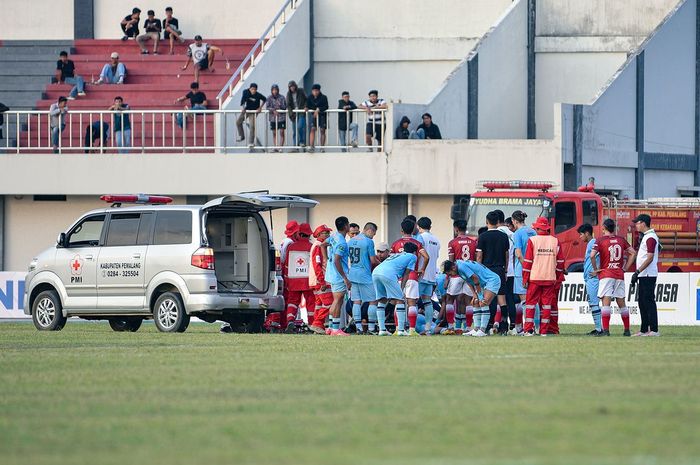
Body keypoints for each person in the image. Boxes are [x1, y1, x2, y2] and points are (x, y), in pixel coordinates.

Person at [590, 218, 636, 337]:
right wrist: (625, 268)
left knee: (606, 302)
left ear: (604, 228)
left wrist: (596, 269)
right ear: (614, 228)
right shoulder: (621, 240)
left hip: (606, 274)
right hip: (619, 274)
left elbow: (592, 255)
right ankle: (626, 330)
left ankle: (606, 330)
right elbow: (633, 253)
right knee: (621, 303)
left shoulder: (600, 240)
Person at [521, 217, 565, 336]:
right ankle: (544, 331)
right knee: (547, 305)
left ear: (538, 228)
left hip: (535, 278)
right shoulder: (555, 241)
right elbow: (560, 262)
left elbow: (528, 262)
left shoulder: (532, 240)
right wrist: (556, 274)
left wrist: (525, 278)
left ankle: (528, 330)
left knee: (530, 304)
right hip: (550, 278)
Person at [391, 219, 429, 335]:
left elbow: (392, 260)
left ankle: (398, 329)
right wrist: (422, 269)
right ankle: (412, 330)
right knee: (412, 303)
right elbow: (426, 257)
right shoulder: (416, 243)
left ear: (401, 230)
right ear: (413, 230)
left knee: (399, 302)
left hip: (399, 277)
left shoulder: (395, 244)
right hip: (412, 276)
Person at [443, 259, 500, 337]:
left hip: (492, 280)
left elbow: (475, 278)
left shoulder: (461, 267)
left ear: (453, 268)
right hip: (483, 283)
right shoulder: (458, 267)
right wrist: (474, 294)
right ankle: (476, 329)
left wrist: (479, 294)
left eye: (449, 273)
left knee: (483, 302)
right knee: (475, 302)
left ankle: (482, 330)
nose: (450, 275)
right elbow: (468, 280)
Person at [372, 242, 419, 336]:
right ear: (414, 252)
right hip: (388, 274)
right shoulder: (413, 256)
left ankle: (382, 330)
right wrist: (401, 288)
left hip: (375, 272)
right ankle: (401, 330)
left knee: (382, 300)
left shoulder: (397, 255)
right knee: (400, 300)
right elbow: (406, 274)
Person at [476, 211, 510, 334]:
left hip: (487, 270)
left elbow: (479, 256)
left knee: (487, 299)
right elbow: (506, 256)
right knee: (502, 300)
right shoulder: (503, 236)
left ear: (486, 222)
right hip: (500, 269)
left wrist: (478, 271)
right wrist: (505, 270)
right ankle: (504, 326)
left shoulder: (483, 236)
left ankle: (487, 326)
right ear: (498, 222)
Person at [322, 216, 352, 336]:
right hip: (338, 275)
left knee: (336, 300)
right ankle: (335, 329)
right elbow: (337, 260)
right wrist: (345, 278)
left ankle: (330, 327)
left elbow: (322, 245)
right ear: (345, 226)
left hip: (332, 273)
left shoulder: (334, 236)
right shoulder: (342, 243)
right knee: (337, 301)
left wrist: (325, 259)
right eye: (348, 224)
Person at [347, 223, 380, 334]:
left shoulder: (350, 240)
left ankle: (359, 327)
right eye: (373, 233)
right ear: (369, 230)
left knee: (356, 301)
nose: (373, 236)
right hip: (364, 274)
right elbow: (373, 260)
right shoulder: (368, 241)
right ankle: (371, 328)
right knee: (373, 300)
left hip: (353, 274)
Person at [282, 223, 314, 333]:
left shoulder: (291, 247)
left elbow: (286, 265)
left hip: (293, 280)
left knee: (292, 302)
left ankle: (290, 320)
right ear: (309, 235)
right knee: (310, 303)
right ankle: (311, 324)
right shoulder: (311, 247)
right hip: (307, 281)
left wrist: (286, 280)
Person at [632, 214, 660, 337]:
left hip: (648, 274)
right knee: (642, 302)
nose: (636, 225)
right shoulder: (646, 237)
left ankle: (654, 329)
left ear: (643, 223)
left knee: (648, 301)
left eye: (637, 223)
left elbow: (649, 258)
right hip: (644, 274)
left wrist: (637, 271)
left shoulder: (650, 237)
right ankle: (644, 330)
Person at [447, 219, 478, 333]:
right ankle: (468, 327)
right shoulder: (474, 242)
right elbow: (475, 258)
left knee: (450, 299)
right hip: (469, 273)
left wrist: (447, 277)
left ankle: (451, 326)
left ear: (456, 229)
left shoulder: (452, 242)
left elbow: (451, 261)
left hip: (457, 273)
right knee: (468, 300)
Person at [415, 217, 441, 335]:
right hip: (431, 275)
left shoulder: (420, 237)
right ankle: (428, 328)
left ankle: (411, 327)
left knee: (413, 301)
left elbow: (419, 254)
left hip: (421, 273)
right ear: (430, 227)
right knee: (427, 301)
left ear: (418, 226)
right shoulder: (436, 240)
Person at [511, 210, 536, 334]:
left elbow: (519, 254)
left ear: (514, 221)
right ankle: (536, 327)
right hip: (535, 269)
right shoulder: (533, 231)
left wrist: (526, 268)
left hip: (522, 270)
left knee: (525, 301)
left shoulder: (517, 233)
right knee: (533, 300)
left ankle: (528, 328)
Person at [578, 223, 602, 335]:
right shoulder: (591, 243)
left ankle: (599, 329)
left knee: (594, 303)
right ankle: (599, 328)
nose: (580, 237)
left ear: (587, 233)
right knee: (593, 303)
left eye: (581, 234)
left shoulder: (593, 243)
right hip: (590, 278)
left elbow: (599, 256)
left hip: (593, 278)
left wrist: (597, 270)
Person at [308, 224, 333, 334]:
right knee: (329, 302)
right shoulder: (318, 246)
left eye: (328, 232)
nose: (328, 234)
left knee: (319, 304)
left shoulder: (318, 245)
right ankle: (317, 323)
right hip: (320, 280)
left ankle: (318, 326)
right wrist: (322, 280)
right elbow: (317, 264)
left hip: (316, 280)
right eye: (325, 232)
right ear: (319, 234)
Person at [495, 209, 516, 334]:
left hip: (498, 270)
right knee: (510, 298)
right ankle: (513, 325)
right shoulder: (512, 233)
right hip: (512, 270)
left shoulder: (495, 233)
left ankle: (497, 324)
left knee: (497, 298)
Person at [236, 83, 266, 149]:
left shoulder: (258, 95)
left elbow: (265, 99)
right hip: (247, 110)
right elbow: (243, 100)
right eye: (252, 89)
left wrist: (260, 107)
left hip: (254, 111)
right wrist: (243, 107)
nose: (253, 91)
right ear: (250, 89)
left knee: (252, 126)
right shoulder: (245, 92)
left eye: (255, 89)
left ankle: (251, 142)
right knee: (238, 122)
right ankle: (242, 136)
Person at [307, 84, 328, 153]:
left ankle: (322, 147)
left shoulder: (324, 97)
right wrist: (306, 108)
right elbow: (308, 105)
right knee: (312, 129)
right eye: (313, 91)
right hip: (314, 116)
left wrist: (318, 109)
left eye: (316, 91)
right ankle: (311, 146)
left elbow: (326, 106)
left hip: (322, 115)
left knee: (322, 130)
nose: (315, 92)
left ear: (319, 91)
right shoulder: (310, 97)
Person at [286, 81, 307, 148]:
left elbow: (306, 99)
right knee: (295, 130)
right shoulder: (288, 94)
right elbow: (288, 105)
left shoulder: (301, 90)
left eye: (293, 86)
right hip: (294, 113)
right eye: (290, 87)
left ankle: (301, 141)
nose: (292, 88)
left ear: (295, 86)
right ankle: (295, 146)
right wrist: (291, 114)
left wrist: (305, 106)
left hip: (301, 111)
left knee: (300, 126)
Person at [266, 84, 287, 150]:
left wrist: (279, 106)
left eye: (276, 90)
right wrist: (273, 110)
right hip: (273, 118)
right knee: (274, 133)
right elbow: (267, 107)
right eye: (273, 90)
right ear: (271, 91)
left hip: (281, 117)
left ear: (278, 90)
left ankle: (280, 147)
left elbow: (284, 107)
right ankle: (276, 147)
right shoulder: (269, 98)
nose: (274, 91)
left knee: (282, 132)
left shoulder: (282, 97)